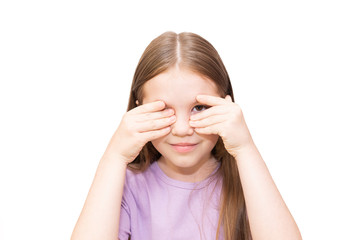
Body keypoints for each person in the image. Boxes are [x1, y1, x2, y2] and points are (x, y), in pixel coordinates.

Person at [71, 31, 302, 240]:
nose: (182, 129)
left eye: (199, 108)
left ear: (226, 106)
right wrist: (114, 156)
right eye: (163, 109)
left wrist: (245, 148)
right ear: (138, 110)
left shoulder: (248, 179)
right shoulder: (127, 185)